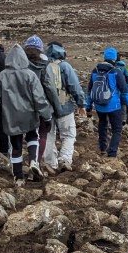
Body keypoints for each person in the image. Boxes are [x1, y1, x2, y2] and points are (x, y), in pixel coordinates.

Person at [0, 44, 53, 185]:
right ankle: (33, 162)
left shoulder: (2, 76)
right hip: (29, 115)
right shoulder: (30, 75)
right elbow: (39, 99)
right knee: (32, 137)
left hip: (10, 117)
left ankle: (18, 177)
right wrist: (47, 116)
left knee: (15, 146)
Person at [42, 42, 85, 173]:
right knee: (68, 134)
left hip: (46, 108)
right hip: (64, 106)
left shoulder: (43, 66)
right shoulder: (65, 66)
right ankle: (64, 159)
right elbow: (74, 87)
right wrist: (81, 104)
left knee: (49, 134)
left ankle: (50, 163)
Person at [21, 35, 62, 173]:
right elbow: (50, 88)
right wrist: (57, 108)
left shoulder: (18, 65)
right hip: (40, 106)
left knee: (19, 135)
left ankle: (16, 163)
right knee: (42, 134)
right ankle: (36, 162)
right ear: (41, 50)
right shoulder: (44, 66)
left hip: (20, 106)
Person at [87, 48, 128, 158]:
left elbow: (89, 90)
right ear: (115, 58)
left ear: (105, 57)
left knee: (102, 124)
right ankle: (112, 152)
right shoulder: (116, 72)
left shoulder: (95, 71)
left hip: (99, 105)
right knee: (117, 129)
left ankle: (103, 148)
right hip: (114, 106)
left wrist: (88, 105)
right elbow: (124, 91)